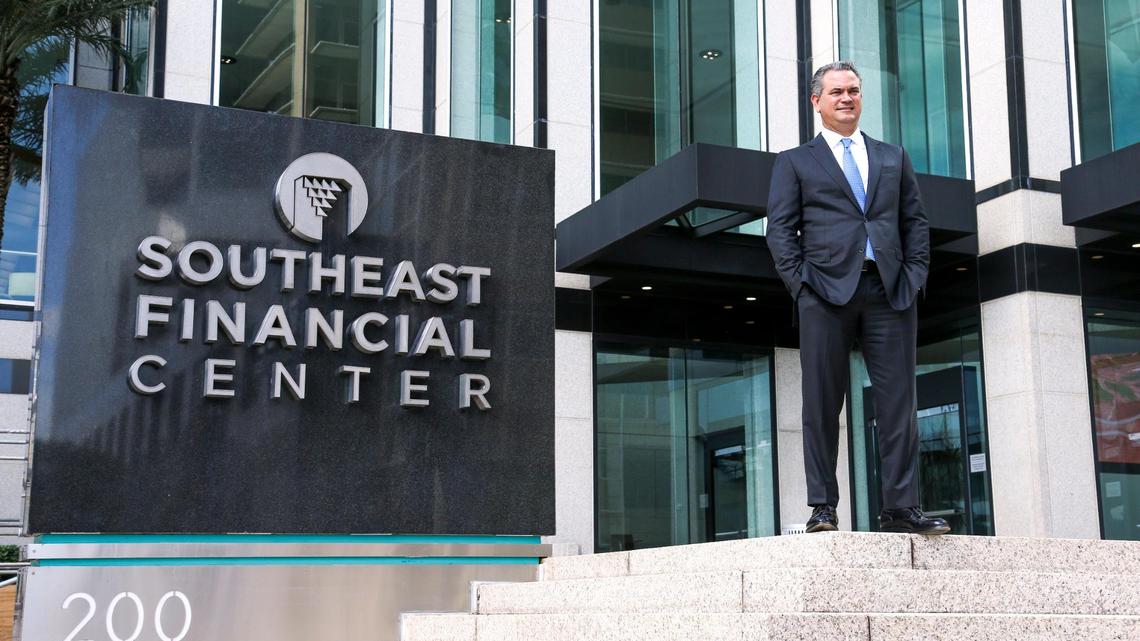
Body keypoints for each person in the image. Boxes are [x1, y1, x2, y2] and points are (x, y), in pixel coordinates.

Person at [765, 61, 949, 535]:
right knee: (822, 403)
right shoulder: (795, 160)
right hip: (824, 293)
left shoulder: (892, 156)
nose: (846, 98)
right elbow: (780, 231)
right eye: (836, 92)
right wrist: (801, 285)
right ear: (817, 101)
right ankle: (823, 507)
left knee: (897, 403)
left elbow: (915, 222)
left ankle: (900, 509)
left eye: (853, 91)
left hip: (888, 290)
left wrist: (914, 275)